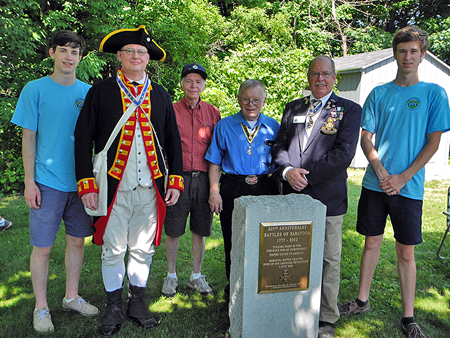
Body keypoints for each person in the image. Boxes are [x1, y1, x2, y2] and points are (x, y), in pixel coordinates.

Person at [338, 26, 450, 338]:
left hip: (409, 187)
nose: (408, 56)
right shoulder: (378, 94)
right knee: (371, 242)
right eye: (403, 51)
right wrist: (382, 171)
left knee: (405, 252)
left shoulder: (434, 94)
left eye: (414, 51)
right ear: (395, 53)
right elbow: (366, 138)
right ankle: (362, 301)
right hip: (376, 185)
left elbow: (433, 143)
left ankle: (408, 317)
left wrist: (402, 177)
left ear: (423, 54)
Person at [74, 26, 183, 337]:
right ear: (120, 57)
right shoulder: (101, 92)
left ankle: (137, 302)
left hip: (150, 187)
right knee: (113, 248)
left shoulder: (160, 94)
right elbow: (83, 139)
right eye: (130, 52)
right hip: (113, 188)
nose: (136, 56)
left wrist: (174, 180)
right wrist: (87, 184)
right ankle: (113, 306)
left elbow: (172, 141)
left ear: (148, 59)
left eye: (142, 52)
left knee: (142, 249)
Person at [11, 30, 99, 334]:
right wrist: (29, 182)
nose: (69, 57)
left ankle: (71, 297)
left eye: (75, 52)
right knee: (43, 247)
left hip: (80, 183)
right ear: (52, 53)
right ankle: (41, 307)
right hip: (46, 182)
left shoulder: (89, 92)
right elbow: (29, 138)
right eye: (63, 50)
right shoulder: (34, 90)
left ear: (80, 57)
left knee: (77, 241)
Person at [272, 55, 362, 338]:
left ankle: (326, 317)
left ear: (334, 77)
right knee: (291, 254)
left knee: (328, 259)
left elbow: (343, 154)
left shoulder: (349, 109)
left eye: (325, 74)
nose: (320, 79)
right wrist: (287, 171)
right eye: (314, 74)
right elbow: (279, 145)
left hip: (327, 197)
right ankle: (290, 305)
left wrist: (304, 174)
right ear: (308, 77)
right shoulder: (293, 108)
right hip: (292, 195)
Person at [205, 79, 280, 300]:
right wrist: (214, 191)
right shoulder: (225, 126)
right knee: (233, 240)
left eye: (256, 100)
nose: (251, 104)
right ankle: (234, 288)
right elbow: (215, 163)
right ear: (239, 99)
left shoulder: (274, 127)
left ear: (264, 101)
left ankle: (263, 288)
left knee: (265, 241)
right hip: (233, 187)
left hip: (265, 186)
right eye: (246, 99)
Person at [161, 63, 221, 298]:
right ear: (182, 84)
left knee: (200, 230)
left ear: (204, 85)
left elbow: (217, 150)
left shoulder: (213, 113)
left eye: (198, 81)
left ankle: (196, 276)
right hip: (178, 179)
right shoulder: (170, 110)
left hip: (204, 180)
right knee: (173, 230)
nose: (193, 85)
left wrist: (214, 187)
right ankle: (171, 276)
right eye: (189, 81)